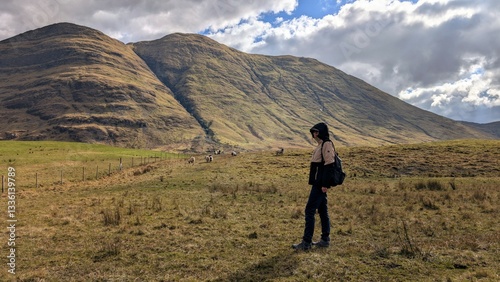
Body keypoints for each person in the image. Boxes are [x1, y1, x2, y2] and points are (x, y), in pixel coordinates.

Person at [293, 122, 335, 250]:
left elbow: (329, 164)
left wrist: (325, 184)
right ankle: (325, 239)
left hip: (319, 184)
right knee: (322, 211)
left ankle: (306, 242)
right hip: (318, 183)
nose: (314, 134)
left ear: (322, 132)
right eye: (313, 132)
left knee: (309, 211)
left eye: (317, 132)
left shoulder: (327, 144)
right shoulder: (321, 144)